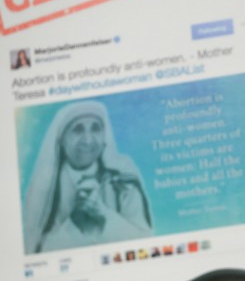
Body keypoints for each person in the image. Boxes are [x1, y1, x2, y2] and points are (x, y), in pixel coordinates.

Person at [23, 100, 153, 254]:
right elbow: (35, 252)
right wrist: (74, 222)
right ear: (62, 140)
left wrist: (103, 214)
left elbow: (147, 243)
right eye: (78, 130)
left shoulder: (123, 181)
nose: (88, 140)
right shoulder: (47, 188)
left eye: (95, 129)